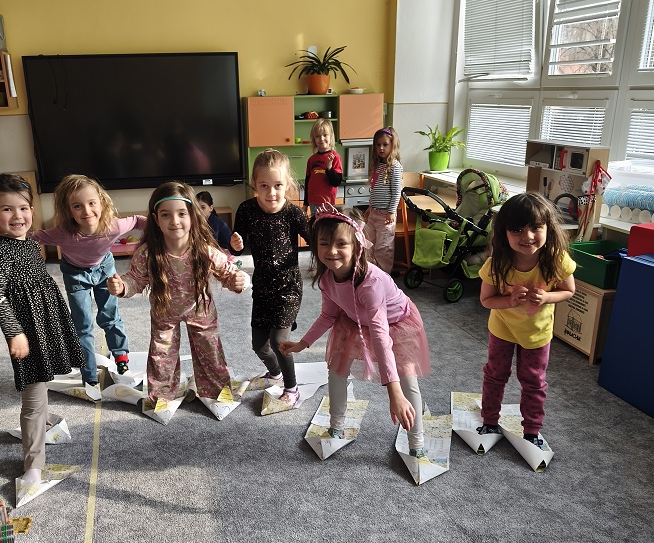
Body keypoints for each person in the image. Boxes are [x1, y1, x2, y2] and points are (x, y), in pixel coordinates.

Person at [281, 205, 430, 452]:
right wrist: (303, 343)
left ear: (357, 246)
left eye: (341, 244)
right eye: (324, 243)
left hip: (395, 323)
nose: (331, 251)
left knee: (405, 379)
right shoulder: (327, 278)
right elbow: (328, 315)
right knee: (336, 369)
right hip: (355, 320)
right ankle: (336, 426)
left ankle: (417, 442)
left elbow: (381, 335)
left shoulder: (371, 283)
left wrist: (393, 392)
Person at [0, 174, 84, 486]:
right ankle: (33, 465)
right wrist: (14, 332)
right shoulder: (1, 250)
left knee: (44, 379)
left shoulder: (28, 242)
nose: (18, 216)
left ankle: (44, 425)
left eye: (23, 208)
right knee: (34, 394)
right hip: (27, 332)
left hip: (44, 324)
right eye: (7, 209)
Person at [106, 181, 247, 404]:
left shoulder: (204, 249)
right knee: (161, 356)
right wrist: (122, 286)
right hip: (164, 313)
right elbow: (135, 279)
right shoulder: (148, 253)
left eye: (182, 213)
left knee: (210, 351)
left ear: (192, 216)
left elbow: (228, 272)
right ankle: (162, 395)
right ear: (156, 219)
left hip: (201, 311)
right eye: (166, 215)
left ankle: (215, 391)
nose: (174, 221)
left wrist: (239, 281)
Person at [476, 192, 576, 446]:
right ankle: (489, 421)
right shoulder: (497, 264)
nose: (527, 236)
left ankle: (532, 430)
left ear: (548, 228)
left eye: (535, 228)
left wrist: (547, 297)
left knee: (533, 381)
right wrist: (509, 301)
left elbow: (568, 290)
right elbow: (486, 300)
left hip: (537, 333)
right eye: (517, 230)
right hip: (503, 329)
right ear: (504, 233)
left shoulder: (556, 259)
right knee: (495, 374)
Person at [31, 174, 146, 386]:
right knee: (82, 324)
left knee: (110, 316)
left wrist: (162, 230)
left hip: (104, 269)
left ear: (101, 203)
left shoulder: (113, 226)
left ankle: (121, 359)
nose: (86, 211)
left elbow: (139, 221)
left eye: (92, 203)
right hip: (75, 274)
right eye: (77, 206)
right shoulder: (62, 233)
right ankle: (89, 375)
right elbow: (34, 237)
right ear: (68, 210)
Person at [230, 149, 309, 407]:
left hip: (289, 287)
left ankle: (292, 388)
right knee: (259, 346)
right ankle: (275, 373)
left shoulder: (293, 213)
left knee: (278, 341)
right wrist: (235, 244)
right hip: (262, 286)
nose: (271, 192)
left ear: (287, 184)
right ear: (254, 184)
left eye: (278, 185)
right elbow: (236, 247)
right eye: (264, 185)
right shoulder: (246, 210)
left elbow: (316, 240)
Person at [366, 126, 403, 274]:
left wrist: (392, 211)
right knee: (369, 245)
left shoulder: (395, 166)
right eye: (378, 144)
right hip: (374, 213)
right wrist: (370, 207)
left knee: (383, 248)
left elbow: (396, 192)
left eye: (385, 144)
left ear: (392, 145)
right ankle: (372, 274)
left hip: (386, 215)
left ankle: (384, 276)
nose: (381, 148)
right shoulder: (378, 165)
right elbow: (375, 190)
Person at [304, 120, 343, 221]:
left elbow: (336, 182)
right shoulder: (311, 160)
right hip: (312, 202)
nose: (321, 139)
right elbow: (307, 183)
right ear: (314, 139)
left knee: (325, 227)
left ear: (331, 137)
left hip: (327, 203)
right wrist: (305, 204)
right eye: (317, 136)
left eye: (325, 135)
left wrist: (329, 168)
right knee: (314, 227)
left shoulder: (335, 157)